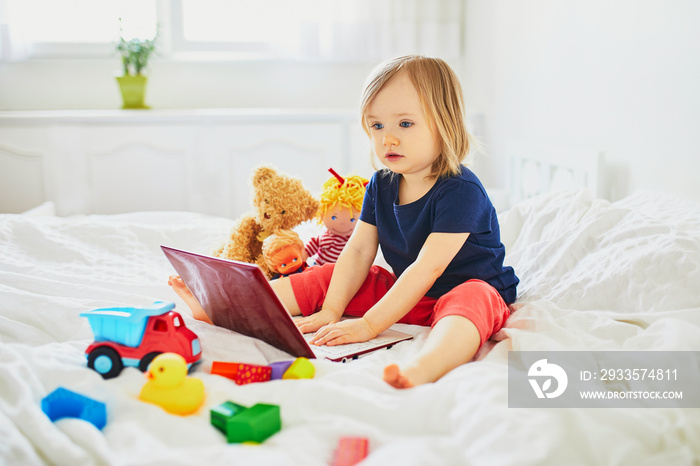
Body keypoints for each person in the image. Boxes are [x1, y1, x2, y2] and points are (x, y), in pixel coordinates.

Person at [169, 55, 518, 389]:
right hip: (408, 292)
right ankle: (225, 307)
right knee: (328, 273)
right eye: (377, 125)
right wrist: (332, 308)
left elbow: (427, 269)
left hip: (465, 288)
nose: (388, 138)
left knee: (471, 301)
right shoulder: (381, 184)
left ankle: (424, 367)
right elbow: (358, 251)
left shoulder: (460, 189)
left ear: (445, 125)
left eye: (405, 123)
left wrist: (370, 324)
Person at [305, 169, 368, 266]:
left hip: (346, 273)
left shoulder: (355, 240)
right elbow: (309, 249)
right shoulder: (324, 238)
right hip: (320, 269)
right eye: (334, 217)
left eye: (352, 219)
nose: (342, 224)